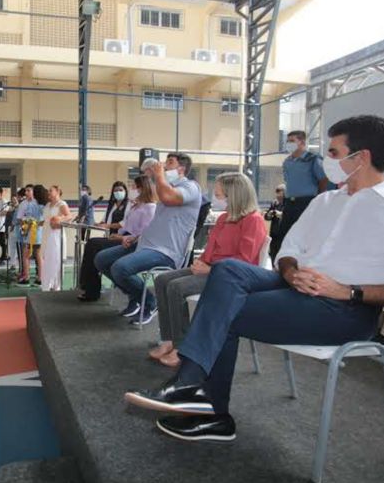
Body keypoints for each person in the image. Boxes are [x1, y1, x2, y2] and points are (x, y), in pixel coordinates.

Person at [125, 115, 384, 442]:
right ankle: (197, 395)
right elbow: (288, 250)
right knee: (227, 271)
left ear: (362, 157)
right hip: (294, 287)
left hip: (347, 310)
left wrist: (346, 291)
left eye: (334, 153)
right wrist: (292, 272)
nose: (327, 161)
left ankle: (200, 396)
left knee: (224, 309)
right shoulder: (325, 202)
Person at [148, 173, 267, 366]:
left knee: (176, 287)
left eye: (219, 194)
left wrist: (210, 269)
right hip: (211, 269)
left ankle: (182, 347)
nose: (215, 197)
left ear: (233, 194)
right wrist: (200, 262)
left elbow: (244, 261)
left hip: (231, 276)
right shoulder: (224, 219)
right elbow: (211, 250)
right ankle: (168, 340)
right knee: (162, 280)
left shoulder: (253, 220)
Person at [95, 153, 202, 322]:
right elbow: (157, 224)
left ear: (181, 169)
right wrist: (136, 237)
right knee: (102, 259)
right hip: (144, 243)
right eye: (165, 162)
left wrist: (158, 175)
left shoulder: (191, 187)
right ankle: (137, 298)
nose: (165, 166)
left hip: (166, 251)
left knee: (120, 268)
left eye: (170, 162)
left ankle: (150, 303)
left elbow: (169, 197)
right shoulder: (165, 187)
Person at [78, 176, 157, 302]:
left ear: (142, 188)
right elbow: (127, 225)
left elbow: (143, 234)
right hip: (123, 238)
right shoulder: (136, 206)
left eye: (133, 187)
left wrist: (121, 237)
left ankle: (91, 288)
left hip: (133, 243)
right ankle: (89, 286)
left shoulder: (150, 208)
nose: (131, 190)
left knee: (94, 246)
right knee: (94, 248)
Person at [273, 130, 327, 255]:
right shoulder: (287, 161)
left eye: (292, 141)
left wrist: (318, 197)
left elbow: (323, 179)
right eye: (287, 141)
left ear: (302, 142)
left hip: (307, 202)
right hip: (290, 203)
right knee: (283, 235)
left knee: (305, 235)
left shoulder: (313, 159)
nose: (288, 144)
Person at [40, 185, 72, 291]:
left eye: (50, 191)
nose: (48, 193)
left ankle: (56, 285)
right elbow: (45, 219)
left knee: (55, 259)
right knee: (46, 259)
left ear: (57, 192)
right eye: (48, 191)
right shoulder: (48, 205)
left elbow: (69, 217)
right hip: (46, 233)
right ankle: (47, 284)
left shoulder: (62, 204)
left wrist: (59, 219)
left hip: (56, 234)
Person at [264, 184, 285, 261]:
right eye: (277, 196)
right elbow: (266, 217)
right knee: (273, 256)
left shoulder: (289, 204)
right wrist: (269, 214)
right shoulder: (274, 203)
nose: (278, 198)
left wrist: (280, 214)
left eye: (280, 197)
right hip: (274, 235)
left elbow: (289, 216)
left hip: (283, 236)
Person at [0, 187, 9, 264]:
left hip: (1, 226)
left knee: (3, 244)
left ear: (0, 193)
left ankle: (3, 257)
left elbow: (6, 212)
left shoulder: (4, 201)